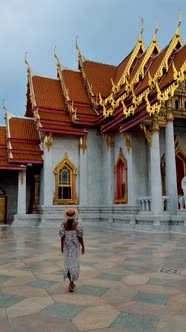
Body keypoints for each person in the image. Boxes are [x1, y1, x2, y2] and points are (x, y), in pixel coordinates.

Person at [59, 207, 85, 292]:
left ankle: (71, 282)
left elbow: (62, 237)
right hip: (75, 247)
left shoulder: (63, 225)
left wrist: (62, 246)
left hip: (67, 247)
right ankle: (71, 283)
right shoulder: (78, 225)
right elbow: (80, 237)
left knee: (68, 264)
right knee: (74, 264)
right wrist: (83, 246)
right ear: (74, 216)